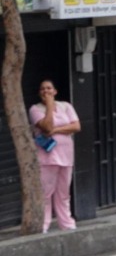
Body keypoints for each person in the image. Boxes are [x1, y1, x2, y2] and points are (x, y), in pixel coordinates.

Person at [29, 79, 80, 233]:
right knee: (45, 192)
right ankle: (43, 225)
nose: (46, 91)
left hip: (66, 156)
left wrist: (57, 131)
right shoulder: (35, 109)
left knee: (63, 192)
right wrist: (50, 106)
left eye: (49, 88)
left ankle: (67, 223)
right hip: (47, 158)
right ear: (39, 93)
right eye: (43, 89)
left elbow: (76, 126)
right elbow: (46, 126)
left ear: (55, 91)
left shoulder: (66, 106)